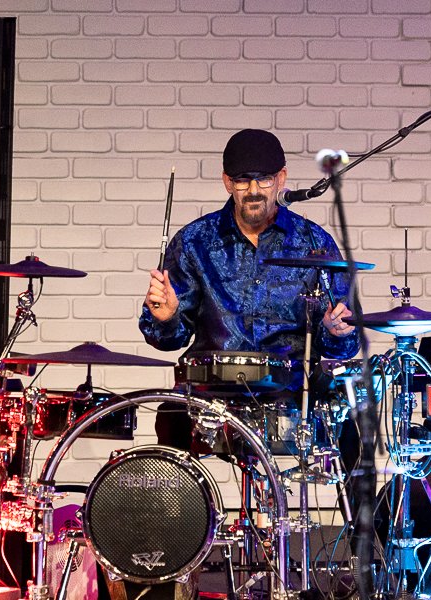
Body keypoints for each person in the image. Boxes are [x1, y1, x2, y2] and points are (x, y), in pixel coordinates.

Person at [139, 128, 360, 448]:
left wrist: (338, 331)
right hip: (213, 389)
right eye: (243, 180)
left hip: (291, 388)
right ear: (227, 182)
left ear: (281, 178)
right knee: (170, 417)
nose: (254, 190)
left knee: (349, 430)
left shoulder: (313, 242)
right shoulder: (194, 241)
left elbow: (344, 344)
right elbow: (167, 340)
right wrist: (166, 318)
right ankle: (185, 484)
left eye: (264, 179)